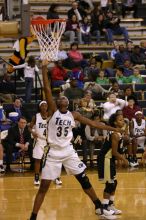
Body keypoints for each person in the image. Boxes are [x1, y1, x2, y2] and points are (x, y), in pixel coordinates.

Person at [29, 60, 122, 220]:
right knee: (44, 187)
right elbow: (46, 88)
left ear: (68, 103)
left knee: (83, 179)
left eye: (64, 98)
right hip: (53, 153)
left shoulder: (75, 115)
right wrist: (44, 68)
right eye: (60, 98)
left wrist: (114, 128)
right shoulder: (52, 111)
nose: (62, 98)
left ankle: (99, 207)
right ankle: (33, 216)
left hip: (68, 152)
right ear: (58, 103)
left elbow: (94, 123)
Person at [97, 113, 129, 215]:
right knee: (110, 184)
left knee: (114, 183)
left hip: (109, 159)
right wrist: (124, 160)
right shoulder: (115, 134)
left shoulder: (118, 133)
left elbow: (117, 151)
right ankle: (104, 208)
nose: (122, 121)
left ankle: (110, 205)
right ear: (115, 122)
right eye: (120, 120)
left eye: (123, 119)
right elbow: (115, 152)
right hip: (105, 159)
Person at [29, 101, 62, 186]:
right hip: (39, 140)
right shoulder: (36, 116)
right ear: (40, 107)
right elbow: (29, 127)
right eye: (42, 105)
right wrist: (33, 132)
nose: (44, 107)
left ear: (47, 107)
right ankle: (36, 178)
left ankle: (56, 177)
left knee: (54, 159)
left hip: (50, 141)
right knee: (38, 160)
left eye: (45, 105)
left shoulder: (51, 116)